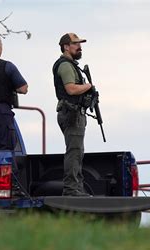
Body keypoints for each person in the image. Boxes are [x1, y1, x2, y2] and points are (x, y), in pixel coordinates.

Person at [52, 33, 94, 196]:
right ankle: (71, 189)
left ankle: (76, 188)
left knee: (77, 151)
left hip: (73, 113)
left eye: (79, 44)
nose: (79, 47)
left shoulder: (70, 65)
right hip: (71, 113)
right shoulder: (65, 65)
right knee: (74, 151)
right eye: (76, 44)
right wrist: (89, 86)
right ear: (66, 46)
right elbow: (71, 88)